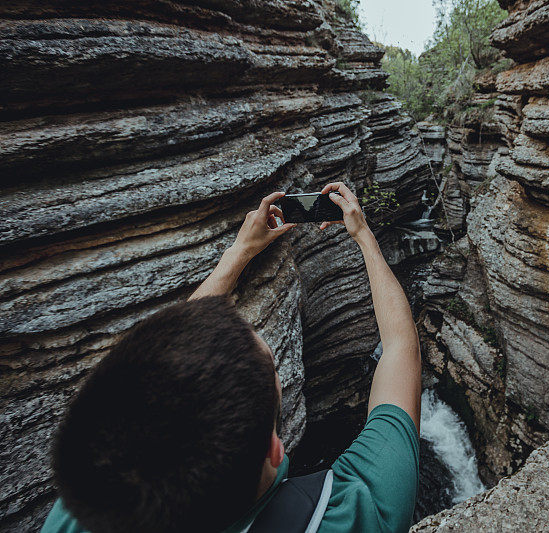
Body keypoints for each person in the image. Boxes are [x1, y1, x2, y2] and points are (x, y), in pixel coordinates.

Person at [41, 182, 422, 533]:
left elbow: (167, 358)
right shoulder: (350, 515)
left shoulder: (82, 509)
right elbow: (400, 349)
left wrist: (238, 252)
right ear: (276, 449)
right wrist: (364, 236)